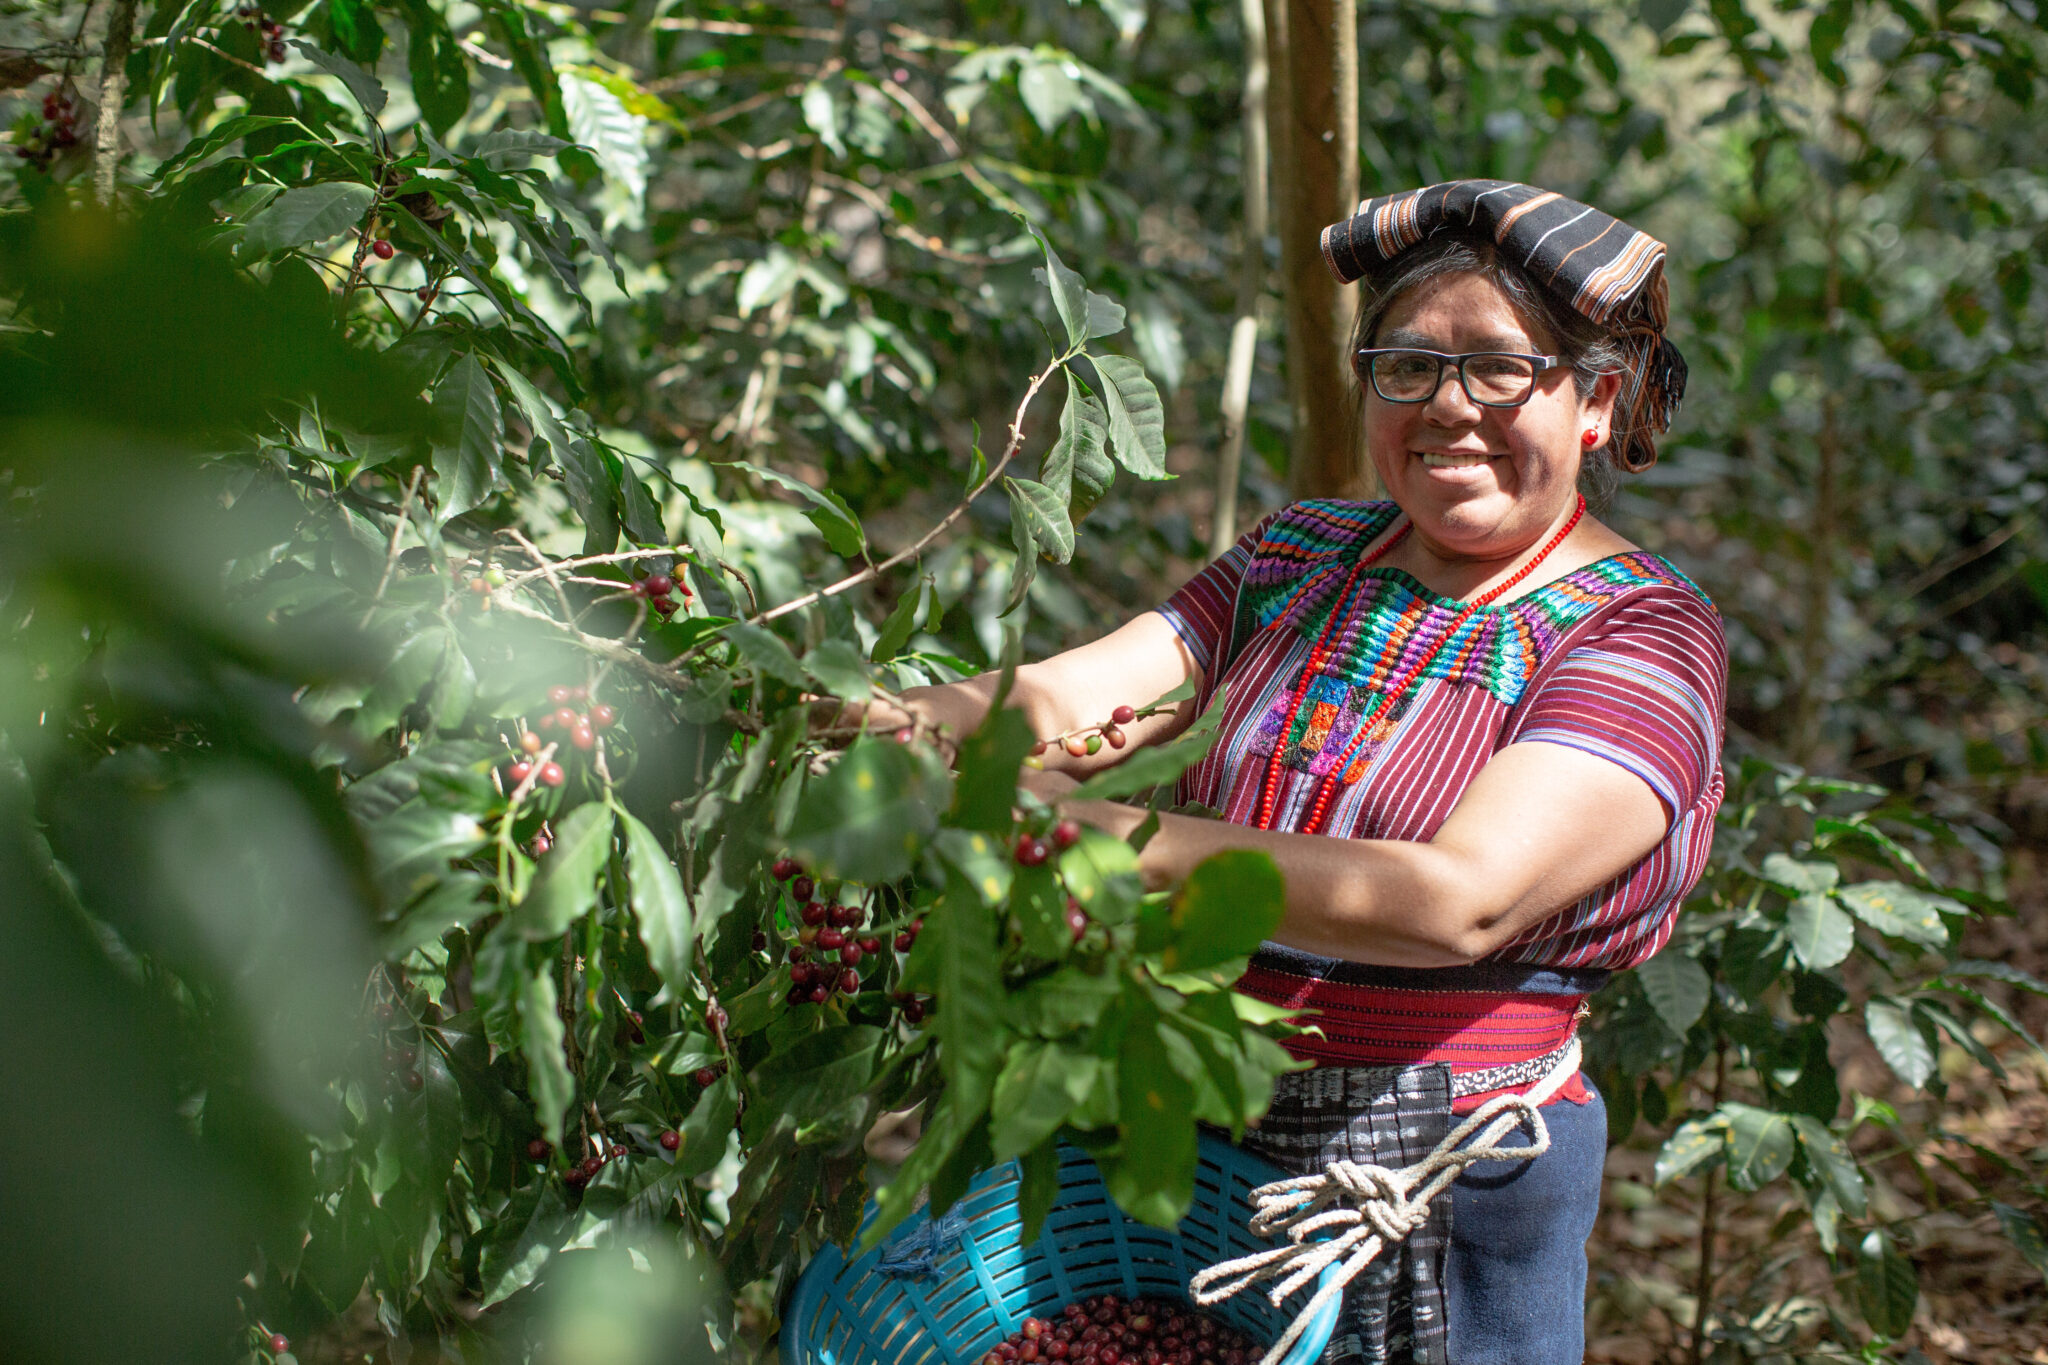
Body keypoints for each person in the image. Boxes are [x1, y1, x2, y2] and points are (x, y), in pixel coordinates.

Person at [860, 181, 1725, 1365]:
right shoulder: (1303, 554)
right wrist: (891, 723)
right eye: (1405, 368)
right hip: (1187, 1111)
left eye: (1497, 370)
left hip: (1432, 1171)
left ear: (1595, 402)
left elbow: (1456, 901)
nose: (1447, 406)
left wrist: (1104, 841)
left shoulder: (1639, 634)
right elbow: (1085, 698)